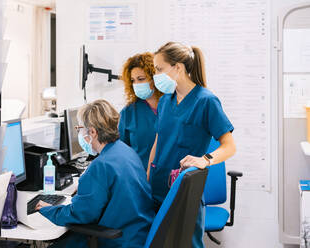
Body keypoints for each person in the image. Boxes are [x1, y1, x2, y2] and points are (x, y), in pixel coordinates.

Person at [147, 42, 236, 248]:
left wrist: (205, 160)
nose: (156, 75)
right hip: (158, 187)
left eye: (159, 69)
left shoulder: (206, 101)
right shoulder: (165, 102)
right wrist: (148, 175)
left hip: (185, 190)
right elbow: (158, 142)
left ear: (177, 67)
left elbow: (229, 146)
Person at [36, 99, 155, 248]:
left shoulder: (101, 166)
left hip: (118, 241)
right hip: (139, 234)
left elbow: (81, 214)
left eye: (80, 128)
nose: (79, 133)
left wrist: (48, 209)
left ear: (92, 132)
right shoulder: (126, 151)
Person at [119, 52, 163, 170]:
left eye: (141, 79)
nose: (136, 84)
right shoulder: (128, 113)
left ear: (155, 78)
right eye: (133, 80)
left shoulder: (172, 106)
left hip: (172, 176)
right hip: (140, 177)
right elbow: (121, 152)